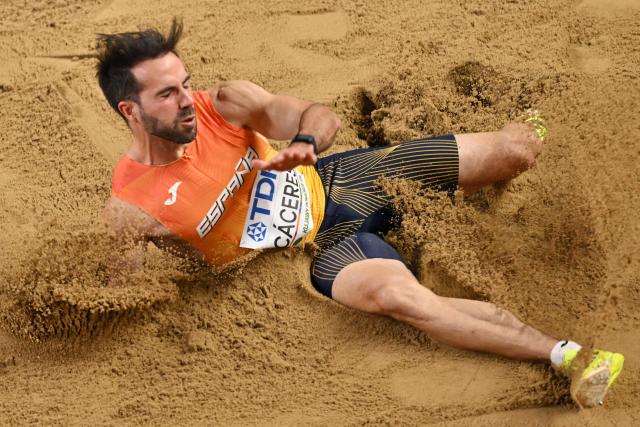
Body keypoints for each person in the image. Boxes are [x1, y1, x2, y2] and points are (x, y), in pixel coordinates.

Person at [98, 19, 623, 408]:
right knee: (402, 298)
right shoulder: (132, 208)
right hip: (314, 255)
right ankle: (569, 356)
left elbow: (315, 114)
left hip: (348, 181)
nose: (188, 99)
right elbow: (123, 294)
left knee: (516, 154)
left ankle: (549, 106)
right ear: (131, 110)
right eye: (168, 94)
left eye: (186, 82)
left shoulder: (225, 105)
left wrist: (306, 141)